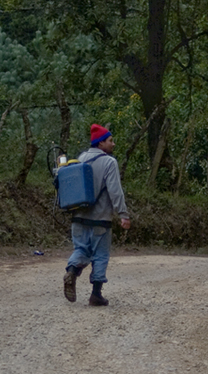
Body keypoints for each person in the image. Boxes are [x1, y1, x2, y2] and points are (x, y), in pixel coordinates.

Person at [62, 124, 131, 306]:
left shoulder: (80, 159)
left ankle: (71, 270)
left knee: (81, 249)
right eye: (110, 140)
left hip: (78, 216)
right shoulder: (109, 162)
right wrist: (123, 214)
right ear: (101, 143)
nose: (113, 144)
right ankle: (96, 294)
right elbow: (115, 191)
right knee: (100, 254)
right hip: (101, 219)